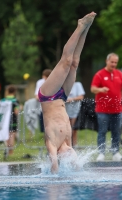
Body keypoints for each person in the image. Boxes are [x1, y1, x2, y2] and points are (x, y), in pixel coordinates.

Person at [38, 12, 96, 173]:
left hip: (48, 96)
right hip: (62, 96)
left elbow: (53, 166)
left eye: (68, 156)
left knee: (66, 62)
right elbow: (75, 162)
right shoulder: (68, 143)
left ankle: (80, 26)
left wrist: (54, 172)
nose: (71, 154)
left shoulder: (53, 144)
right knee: (74, 63)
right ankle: (86, 29)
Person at [91, 53, 122, 162]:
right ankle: (101, 153)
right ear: (107, 61)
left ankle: (115, 152)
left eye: (115, 62)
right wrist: (100, 90)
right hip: (103, 110)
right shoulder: (99, 74)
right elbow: (93, 89)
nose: (113, 64)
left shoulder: (119, 74)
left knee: (116, 131)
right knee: (102, 131)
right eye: (112, 62)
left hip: (117, 109)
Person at [1, 85, 19, 159]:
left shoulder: (3, 100)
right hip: (13, 120)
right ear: (14, 92)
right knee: (12, 136)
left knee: (6, 135)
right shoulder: (15, 101)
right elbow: (16, 111)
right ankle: (10, 151)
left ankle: (6, 148)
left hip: (5, 121)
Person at [65, 81, 85, 146]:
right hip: (65, 110)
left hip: (75, 110)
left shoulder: (77, 85)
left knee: (73, 129)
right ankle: (66, 146)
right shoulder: (63, 85)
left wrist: (71, 99)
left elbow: (81, 96)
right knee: (66, 131)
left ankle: (74, 146)